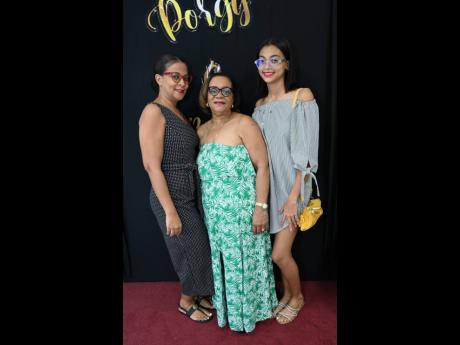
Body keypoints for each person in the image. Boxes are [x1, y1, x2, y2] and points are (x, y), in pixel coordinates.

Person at [196, 67, 278, 333]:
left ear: (233, 98)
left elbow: (263, 167)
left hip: (243, 212)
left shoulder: (245, 123)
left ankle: (249, 312)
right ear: (206, 97)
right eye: (214, 90)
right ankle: (229, 309)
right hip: (215, 215)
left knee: (244, 261)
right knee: (224, 263)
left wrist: (260, 208)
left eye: (226, 91)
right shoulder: (202, 132)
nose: (220, 95)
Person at [139, 54, 214, 323]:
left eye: (185, 78)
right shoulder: (153, 111)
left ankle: (199, 292)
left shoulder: (178, 112)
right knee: (188, 249)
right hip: (169, 194)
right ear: (159, 79)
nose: (182, 83)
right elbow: (151, 165)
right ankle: (186, 301)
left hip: (188, 191)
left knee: (199, 246)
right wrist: (169, 210)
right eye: (175, 77)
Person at [252, 38, 320, 324]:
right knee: (274, 253)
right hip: (269, 188)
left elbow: (305, 155)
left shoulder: (300, 97)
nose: (267, 66)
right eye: (262, 60)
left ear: (287, 64)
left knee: (280, 254)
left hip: (293, 187)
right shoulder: (258, 105)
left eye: (274, 59)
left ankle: (298, 297)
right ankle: (288, 295)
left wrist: (294, 197)